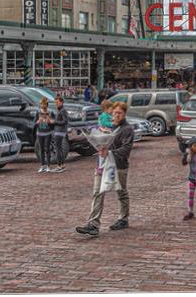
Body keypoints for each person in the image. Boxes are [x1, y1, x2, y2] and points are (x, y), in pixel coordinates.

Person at [76, 102, 134, 236]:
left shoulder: (127, 129)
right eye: (114, 113)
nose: (116, 115)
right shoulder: (108, 127)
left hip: (118, 166)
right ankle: (93, 224)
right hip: (102, 164)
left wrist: (110, 152)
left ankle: (123, 218)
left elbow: (126, 149)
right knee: (97, 192)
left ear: (124, 114)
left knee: (121, 192)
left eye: (119, 113)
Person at [35, 97, 54, 173]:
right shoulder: (38, 112)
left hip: (47, 133)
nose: (43, 106)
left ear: (47, 105)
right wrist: (38, 121)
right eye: (42, 104)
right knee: (41, 149)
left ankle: (48, 166)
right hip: (40, 133)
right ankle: (42, 166)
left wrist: (50, 121)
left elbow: (53, 122)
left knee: (47, 149)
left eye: (44, 104)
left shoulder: (50, 112)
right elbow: (34, 123)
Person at [52, 96, 69, 172]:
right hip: (59, 131)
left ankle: (59, 166)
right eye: (55, 102)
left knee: (58, 149)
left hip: (60, 131)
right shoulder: (60, 110)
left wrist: (54, 122)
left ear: (62, 102)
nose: (56, 104)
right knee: (59, 148)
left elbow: (65, 121)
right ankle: (62, 165)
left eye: (58, 102)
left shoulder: (62, 110)